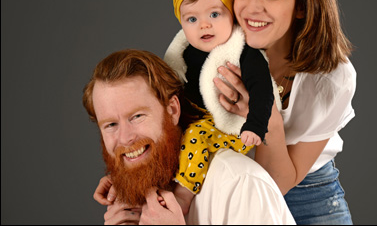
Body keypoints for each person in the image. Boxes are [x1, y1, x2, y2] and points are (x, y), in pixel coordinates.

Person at [213, 0, 357, 225]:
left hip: (309, 194)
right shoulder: (215, 48)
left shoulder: (331, 79)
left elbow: (277, 183)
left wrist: (269, 119)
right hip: (225, 188)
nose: (252, 8)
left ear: (302, 5)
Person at [83, 49, 296, 225]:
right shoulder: (136, 195)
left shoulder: (240, 183)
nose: (125, 138)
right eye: (111, 125)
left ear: (173, 110)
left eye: (137, 116)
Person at [164, 0, 281, 214]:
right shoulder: (184, 52)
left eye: (215, 14)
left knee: (196, 136)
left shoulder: (243, 52)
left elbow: (263, 91)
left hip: (235, 126)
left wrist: (255, 125)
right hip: (200, 116)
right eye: (191, 20)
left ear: (232, 14)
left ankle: (183, 195)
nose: (204, 24)